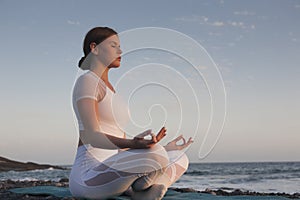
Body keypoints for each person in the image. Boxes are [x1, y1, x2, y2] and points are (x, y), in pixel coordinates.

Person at [69, 27, 193, 200]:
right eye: (113, 45)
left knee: (179, 157)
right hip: (89, 177)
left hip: (115, 169)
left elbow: (120, 143)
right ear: (94, 48)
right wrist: (136, 145)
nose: (120, 51)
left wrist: (156, 147)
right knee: (156, 155)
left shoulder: (112, 91)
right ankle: (142, 189)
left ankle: (139, 189)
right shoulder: (87, 81)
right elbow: (91, 136)